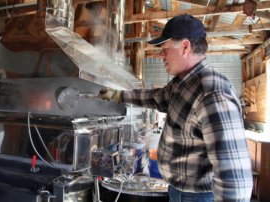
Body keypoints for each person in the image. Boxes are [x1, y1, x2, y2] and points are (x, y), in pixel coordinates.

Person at [99, 14, 253, 201]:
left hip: (198, 197)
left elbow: (234, 179)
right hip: (178, 191)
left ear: (186, 46)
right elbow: (155, 98)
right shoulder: (183, 83)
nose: (160, 55)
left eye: (165, 49)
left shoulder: (211, 94)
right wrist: (118, 95)